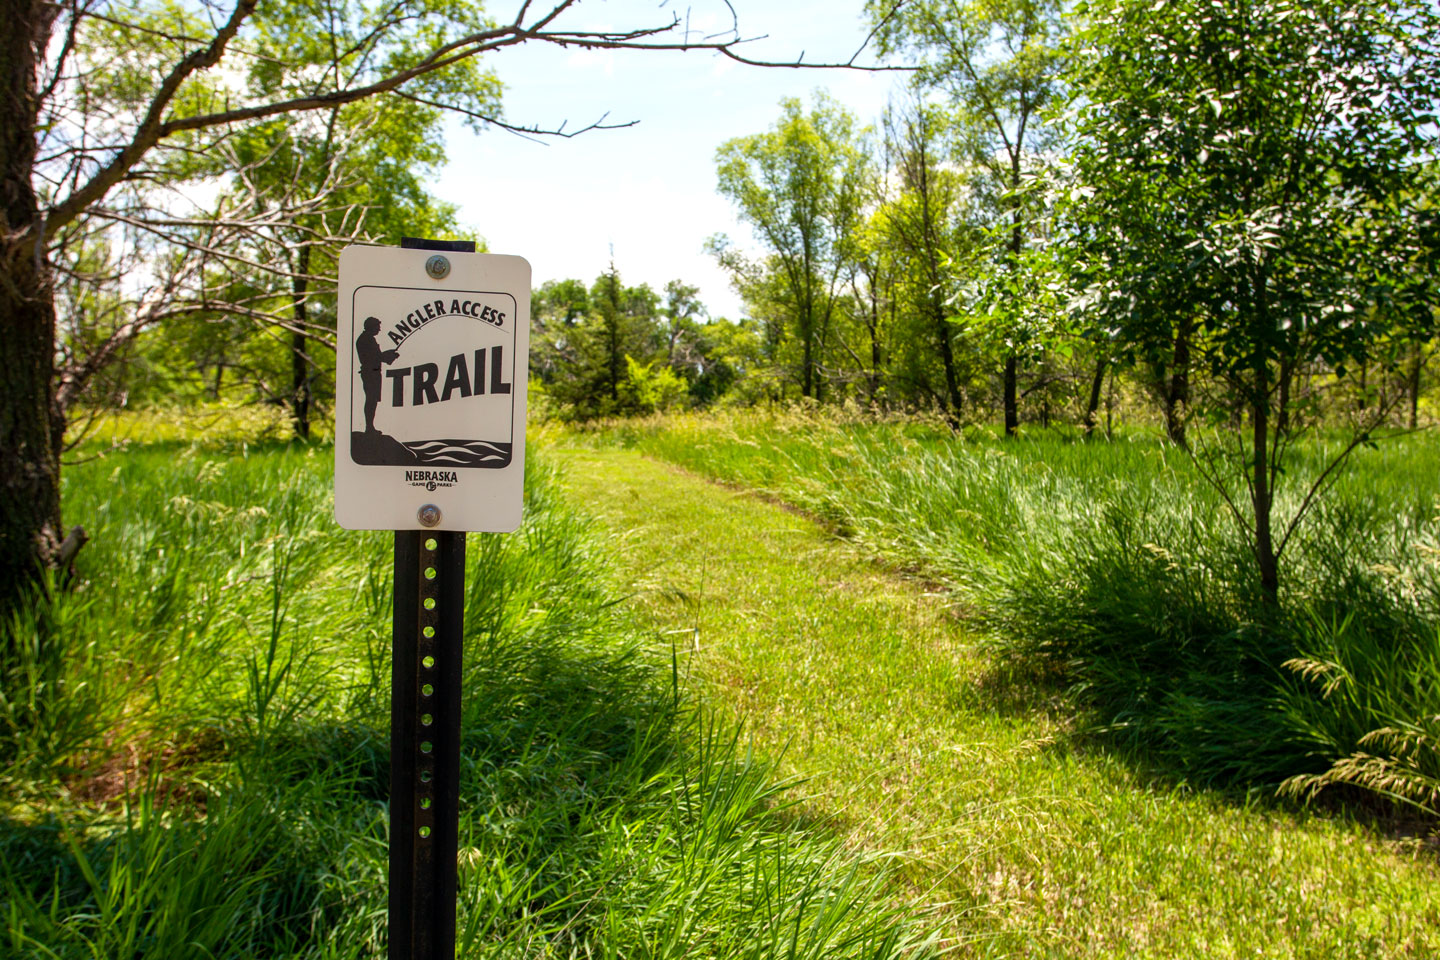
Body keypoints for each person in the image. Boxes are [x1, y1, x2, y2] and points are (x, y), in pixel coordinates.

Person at [356, 316, 400, 433]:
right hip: (370, 373)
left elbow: (376, 356)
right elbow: (372, 358)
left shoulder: (368, 338)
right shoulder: (366, 339)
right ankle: (369, 427)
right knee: (371, 400)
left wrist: (387, 355)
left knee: (372, 400)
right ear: (371, 326)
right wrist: (388, 356)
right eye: (377, 327)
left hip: (373, 372)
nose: (379, 329)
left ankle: (370, 427)